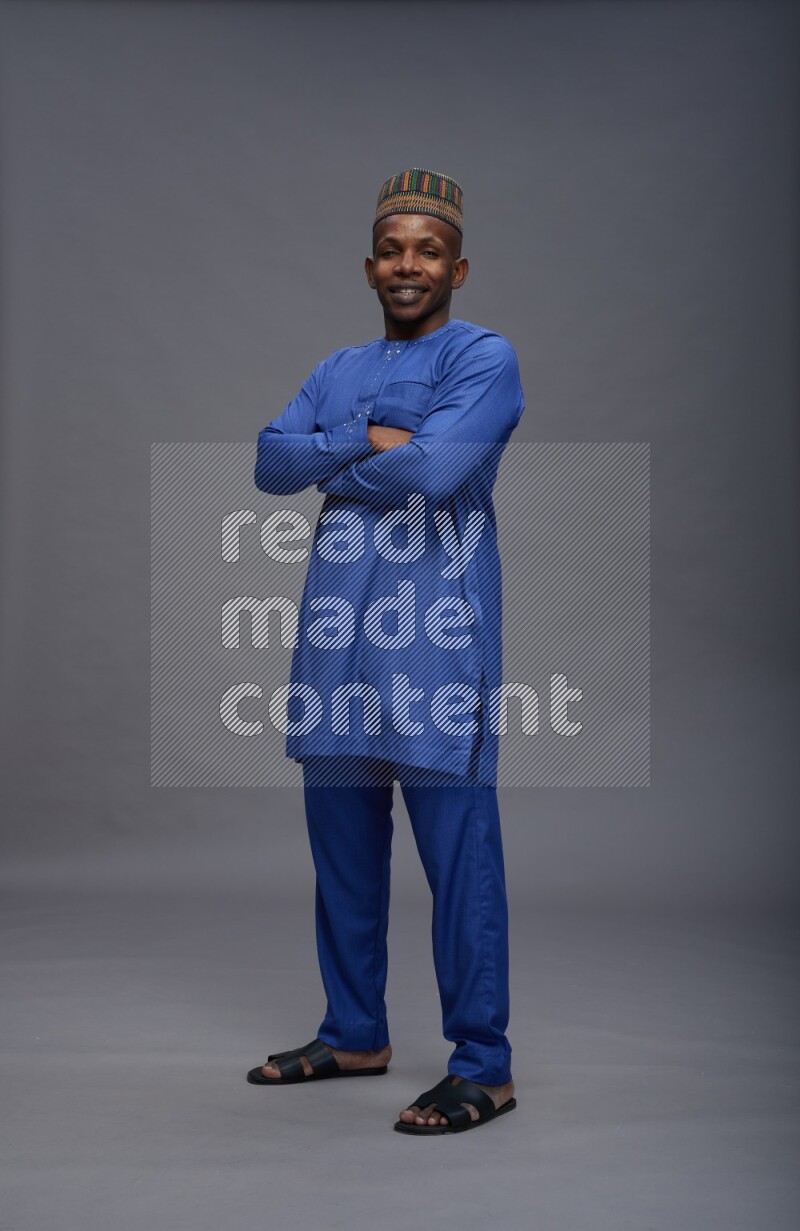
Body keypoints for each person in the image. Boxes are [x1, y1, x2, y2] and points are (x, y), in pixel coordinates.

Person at [249, 168, 524, 1134]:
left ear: (457, 266)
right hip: (335, 645)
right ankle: (355, 1030)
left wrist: (337, 450)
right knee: (345, 858)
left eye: (429, 249)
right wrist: (370, 435)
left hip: (435, 645)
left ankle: (483, 1065)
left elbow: (440, 467)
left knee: (460, 862)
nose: (410, 264)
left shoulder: (483, 357)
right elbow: (267, 461)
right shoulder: (339, 366)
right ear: (371, 265)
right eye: (394, 249)